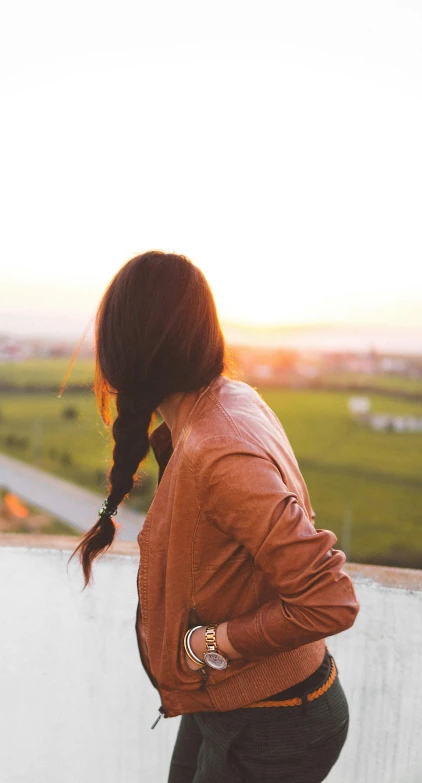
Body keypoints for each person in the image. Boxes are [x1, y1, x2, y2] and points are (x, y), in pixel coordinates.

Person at [70, 250, 360, 783]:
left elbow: (328, 600)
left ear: (121, 350)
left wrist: (206, 645)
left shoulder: (218, 451)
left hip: (273, 719)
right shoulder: (224, 403)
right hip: (228, 700)